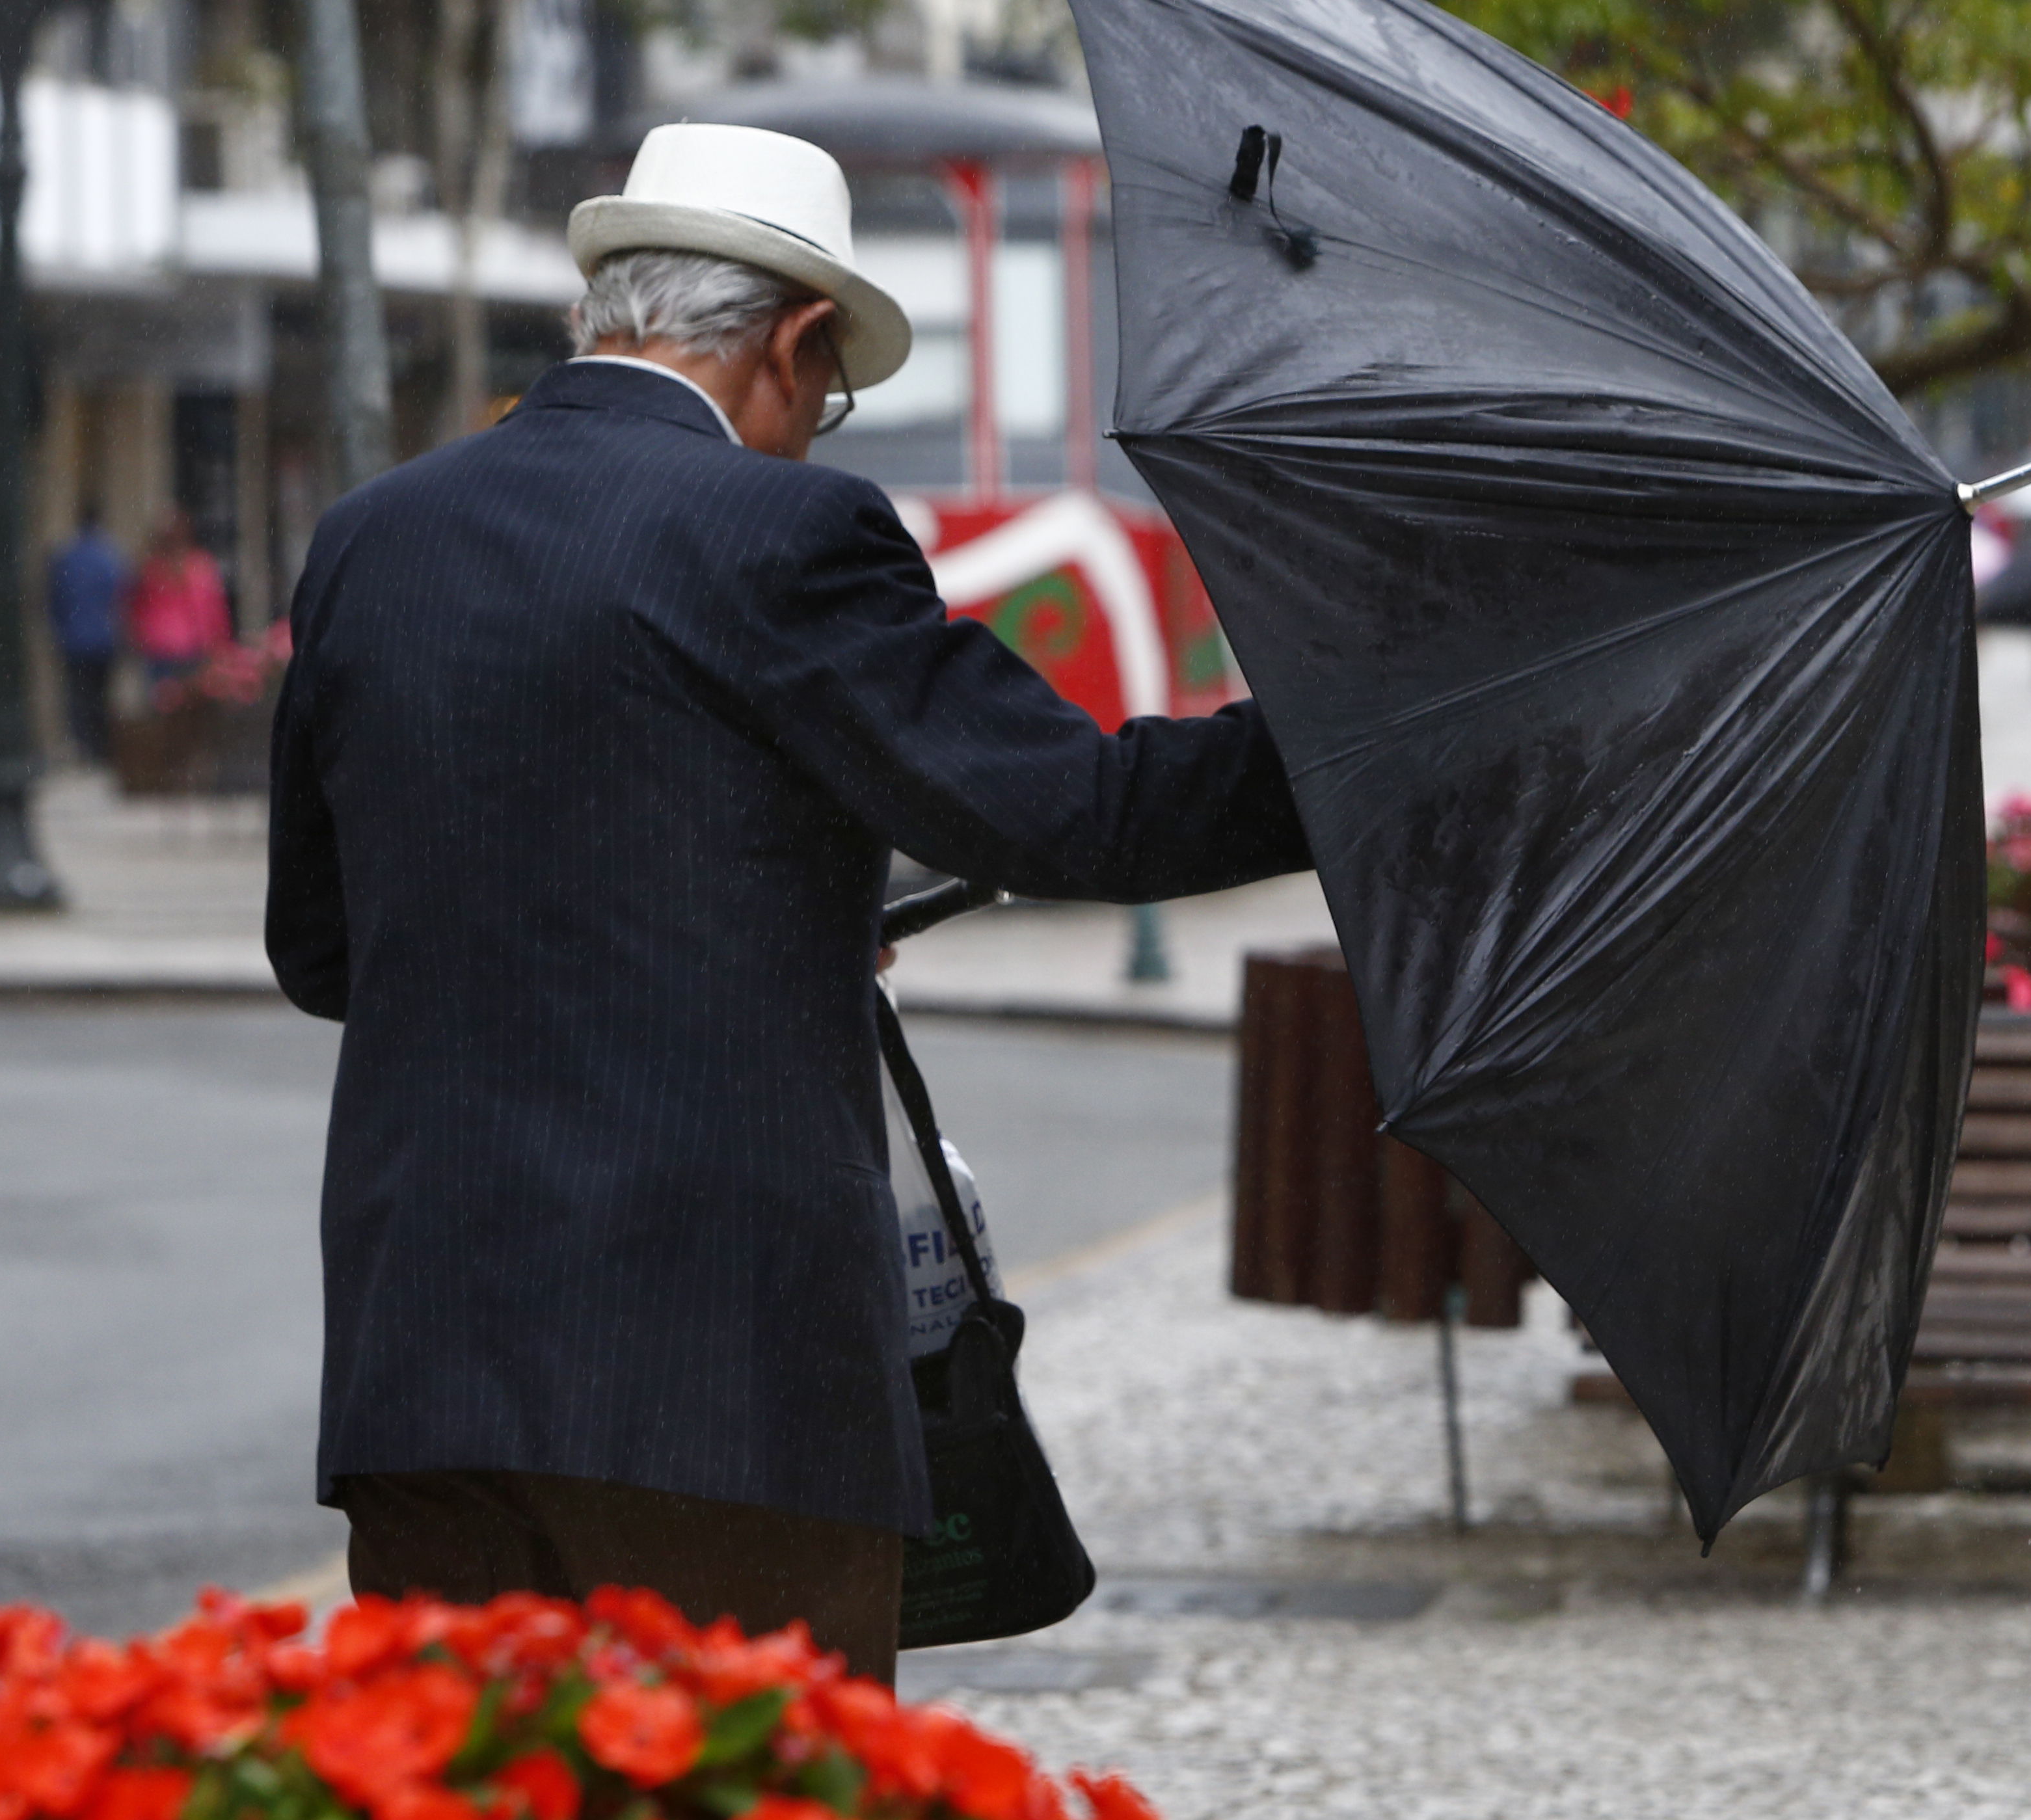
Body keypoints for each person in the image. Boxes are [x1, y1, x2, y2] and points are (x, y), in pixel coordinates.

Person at [266, 122, 1313, 1681]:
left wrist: (748, 914)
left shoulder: (371, 540)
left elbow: (328, 946)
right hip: (718, 1392)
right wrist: (1371, 749)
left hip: (428, 1384)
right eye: (829, 392)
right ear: (796, 336)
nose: (819, 430)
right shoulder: (784, 533)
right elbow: (1080, 810)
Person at [47, 503, 127, 766]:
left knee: (78, 694)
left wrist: (60, 628)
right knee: (100, 694)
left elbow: (55, 598)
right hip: (103, 638)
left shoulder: (67, 556)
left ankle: (84, 743)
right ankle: (100, 744)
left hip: (74, 639)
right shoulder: (109, 556)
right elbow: (121, 596)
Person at [126, 509, 230, 699]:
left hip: (184, 650)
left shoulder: (194, 567)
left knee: (178, 708)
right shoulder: (154, 570)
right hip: (172, 651)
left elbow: (212, 609)